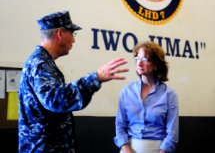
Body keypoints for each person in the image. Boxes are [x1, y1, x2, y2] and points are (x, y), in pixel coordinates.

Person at [18, 10, 129, 153]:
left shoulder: (43, 62)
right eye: (72, 33)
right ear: (60, 34)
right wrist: (95, 78)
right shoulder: (40, 64)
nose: (74, 40)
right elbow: (56, 99)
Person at [114, 41, 179, 153]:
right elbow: (120, 125)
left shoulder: (169, 94)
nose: (139, 63)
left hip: (157, 149)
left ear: (156, 65)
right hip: (128, 148)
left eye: (145, 59)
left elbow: (172, 132)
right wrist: (127, 150)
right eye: (137, 58)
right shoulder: (126, 91)